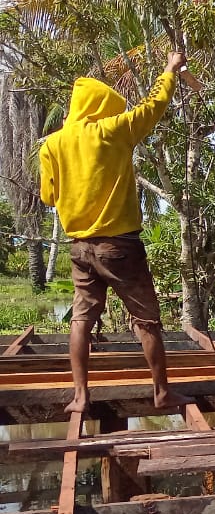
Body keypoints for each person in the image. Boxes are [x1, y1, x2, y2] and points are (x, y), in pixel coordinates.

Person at [40, 52, 194, 415]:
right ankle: (161, 393)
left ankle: (80, 396)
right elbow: (153, 106)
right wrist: (169, 69)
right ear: (100, 107)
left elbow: (49, 196)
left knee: (81, 320)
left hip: (79, 248)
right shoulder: (112, 131)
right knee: (147, 320)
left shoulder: (53, 145)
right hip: (120, 246)